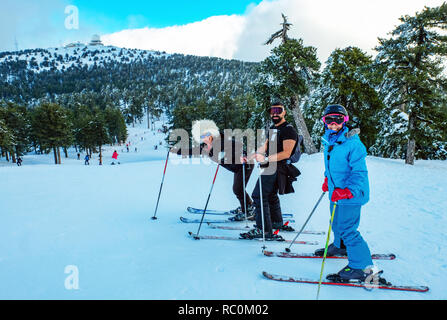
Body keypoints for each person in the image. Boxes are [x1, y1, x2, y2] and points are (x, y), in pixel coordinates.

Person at [315, 104, 375, 282]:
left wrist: (348, 191)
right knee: (335, 221)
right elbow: (331, 166)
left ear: (345, 120)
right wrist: (328, 179)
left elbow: (359, 173)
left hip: (351, 194)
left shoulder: (353, 144)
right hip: (336, 192)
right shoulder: (330, 140)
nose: (333, 123)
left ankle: (362, 268)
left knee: (348, 229)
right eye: (329, 120)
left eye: (338, 119)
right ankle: (340, 246)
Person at [240, 101, 300, 240]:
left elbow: (286, 153)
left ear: (284, 112)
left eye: (278, 110)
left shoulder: (288, 130)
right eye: (272, 111)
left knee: (258, 195)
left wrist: (266, 160)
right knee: (270, 195)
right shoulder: (273, 128)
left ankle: (264, 230)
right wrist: (251, 156)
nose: (275, 113)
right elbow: (265, 147)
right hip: (271, 166)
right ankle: (276, 222)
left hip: (278, 168)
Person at [172, 119, 256, 219]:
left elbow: (238, 145)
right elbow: (194, 151)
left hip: (245, 165)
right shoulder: (206, 146)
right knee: (238, 189)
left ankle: (248, 210)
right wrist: (177, 151)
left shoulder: (221, 142)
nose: (204, 138)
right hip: (236, 168)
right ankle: (247, 207)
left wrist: (242, 154)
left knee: (238, 189)